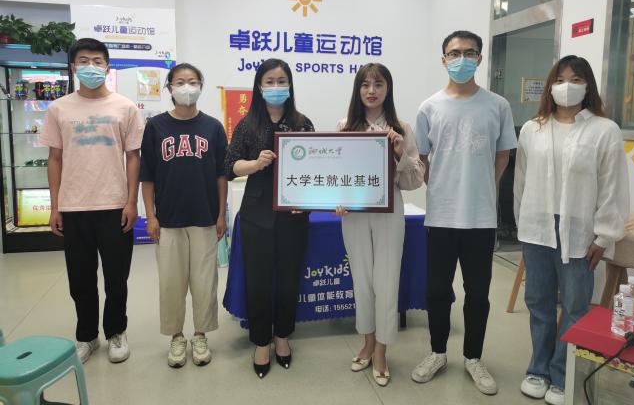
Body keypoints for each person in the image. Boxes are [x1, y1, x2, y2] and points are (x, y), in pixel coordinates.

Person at [514, 56, 629, 405]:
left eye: (576, 79)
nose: (567, 86)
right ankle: (538, 370)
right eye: (560, 79)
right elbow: (522, 181)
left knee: (576, 305)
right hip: (537, 228)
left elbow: (612, 187)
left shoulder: (604, 130)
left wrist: (604, 236)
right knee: (539, 303)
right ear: (551, 85)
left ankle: (563, 374)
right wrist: (523, 224)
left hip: (580, 231)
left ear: (588, 85)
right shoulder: (532, 128)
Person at [412, 30, 517, 395]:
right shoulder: (429, 107)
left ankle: (473, 357)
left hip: (480, 218)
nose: (461, 59)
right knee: (437, 291)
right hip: (440, 216)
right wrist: (444, 186)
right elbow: (421, 158)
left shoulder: (497, 106)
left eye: (469, 52)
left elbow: (503, 154)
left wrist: (482, 187)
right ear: (443, 60)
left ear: (480, 59)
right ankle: (438, 353)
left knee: (477, 292)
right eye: (454, 53)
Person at [40, 38, 144, 364]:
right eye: (83, 60)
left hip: (114, 205)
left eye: (97, 61)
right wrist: (55, 207)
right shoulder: (59, 108)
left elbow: (133, 157)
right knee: (80, 279)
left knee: (116, 277)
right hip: (74, 207)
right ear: (73, 66)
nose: (91, 66)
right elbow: (54, 159)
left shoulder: (125, 107)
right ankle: (87, 336)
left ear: (107, 66)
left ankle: (116, 331)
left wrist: (131, 202)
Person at [224, 58, 314, 378]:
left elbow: (315, 169)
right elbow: (230, 166)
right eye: (270, 81)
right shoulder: (247, 124)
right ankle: (262, 341)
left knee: (289, 279)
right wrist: (254, 164)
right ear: (259, 86)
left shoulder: (303, 123)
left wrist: (308, 201)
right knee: (258, 281)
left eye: (281, 81)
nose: (276, 87)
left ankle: (283, 337)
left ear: (290, 85)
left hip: (294, 215)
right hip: (256, 214)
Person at [335, 63, 424, 387]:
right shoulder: (345, 127)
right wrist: (337, 200)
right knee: (361, 280)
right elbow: (336, 175)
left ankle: (382, 351)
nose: (371, 91)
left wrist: (399, 153)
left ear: (388, 88)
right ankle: (367, 342)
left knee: (386, 281)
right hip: (355, 213)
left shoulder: (401, 127)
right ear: (357, 90)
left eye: (379, 84)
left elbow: (415, 179)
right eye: (365, 84)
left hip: (389, 211)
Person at [139, 63, 228, 368]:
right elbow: (147, 176)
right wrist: (150, 216)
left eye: (192, 81)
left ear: (201, 86)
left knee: (205, 282)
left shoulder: (213, 127)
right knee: (171, 283)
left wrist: (221, 214)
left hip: (205, 218)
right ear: (169, 88)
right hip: (169, 220)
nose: (186, 87)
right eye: (180, 82)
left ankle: (200, 334)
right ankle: (177, 336)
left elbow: (221, 175)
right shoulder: (156, 126)